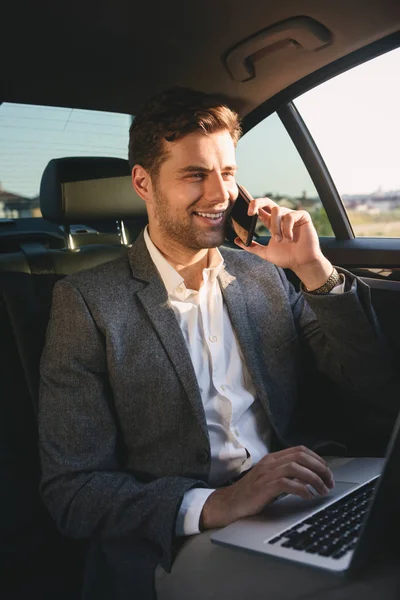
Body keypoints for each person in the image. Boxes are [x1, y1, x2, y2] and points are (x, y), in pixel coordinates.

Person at [38, 87, 396, 600]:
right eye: (194, 175)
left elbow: (371, 384)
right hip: (180, 537)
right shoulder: (86, 303)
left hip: (301, 493)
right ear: (143, 182)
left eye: (227, 173)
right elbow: (71, 491)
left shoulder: (264, 276)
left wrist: (313, 270)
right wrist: (216, 504)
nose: (219, 194)